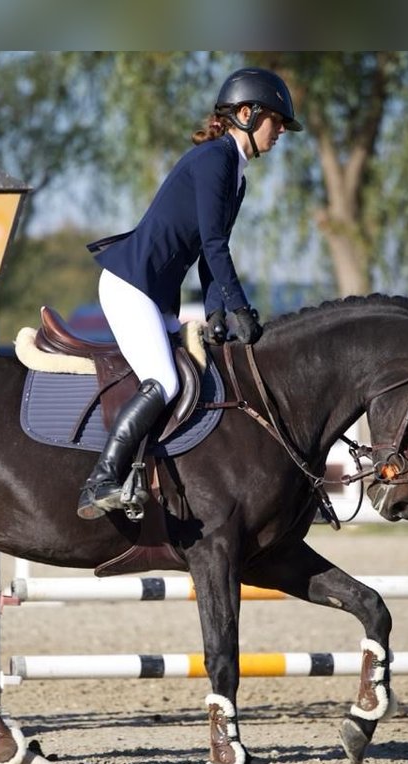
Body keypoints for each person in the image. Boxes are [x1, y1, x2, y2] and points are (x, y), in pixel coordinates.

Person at [77, 66, 303, 520]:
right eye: (275, 121)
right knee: (165, 380)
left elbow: (206, 252)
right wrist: (240, 306)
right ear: (246, 113)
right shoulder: (215, 160)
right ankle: (100, 479)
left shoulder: (236, 174)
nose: (280, 132)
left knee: (195, 374)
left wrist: (218, 313)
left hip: (154, 294)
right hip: (129, 286)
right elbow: (216, 246)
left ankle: (150, 476)